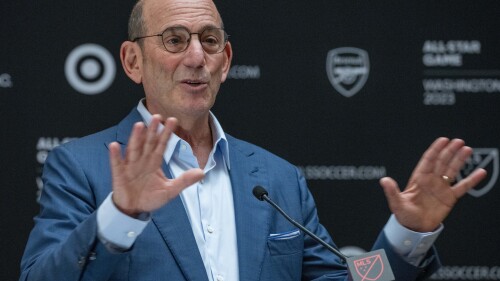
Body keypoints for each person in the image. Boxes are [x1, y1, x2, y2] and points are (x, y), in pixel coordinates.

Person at [20, 0, 487, 280]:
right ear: (132, 61)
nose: (197, 56)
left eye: (209, 40)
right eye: (175, 39)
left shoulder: (278, 179)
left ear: (226, 61)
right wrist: (120, 215)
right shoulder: (82, 165)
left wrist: (408, 236)